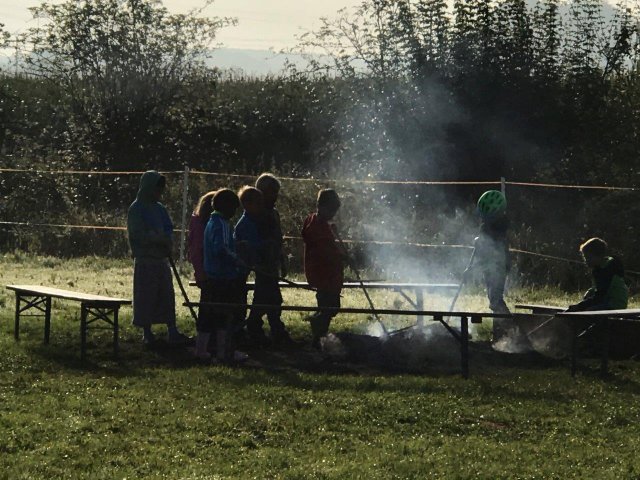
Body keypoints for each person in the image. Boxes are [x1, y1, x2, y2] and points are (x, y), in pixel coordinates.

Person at [126, 170, 189, 346]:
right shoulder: (136, 209)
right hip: (146, 260)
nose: (159, 193)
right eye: (156, 189)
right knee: (146, 296)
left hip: (161, 260)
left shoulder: (160, 208)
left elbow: (168, 227)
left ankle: (172, 330)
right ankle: (147, 332)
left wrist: (166, 240)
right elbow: (137, 234)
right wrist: (155, 238)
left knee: (166, 295)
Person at [196, 188, 248, 363]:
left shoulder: (210, 222)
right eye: (234, 208)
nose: (234, 213)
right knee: (225, 317)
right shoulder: (223, 224)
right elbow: (222, 248)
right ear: (227, 207)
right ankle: (224, 352)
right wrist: (237, 260)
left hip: (211, 277)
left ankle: (202, 350)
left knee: (207, 315)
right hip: (223, 277)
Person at [245, 173, 293, 346]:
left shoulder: (273, 213)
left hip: (272, 261)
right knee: (266, 297)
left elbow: (277, 239)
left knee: (270, 297)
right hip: (263, 262)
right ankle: (259, 327)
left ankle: (271, 328)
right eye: (272, 192)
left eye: (276, 192)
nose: (275, 196)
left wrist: (281, 258)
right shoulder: (257, 215)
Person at [467, 190, 511, 340]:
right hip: (491, 267)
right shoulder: (488, 226)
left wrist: (480, 242)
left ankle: (512, 331)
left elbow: (492, 250)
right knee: (494, 300)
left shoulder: (498, 227)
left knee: (496, 302)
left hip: (497, 267)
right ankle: (499, 335)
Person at [302, 189, 344, 348]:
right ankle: (318, 334)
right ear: (322, 206)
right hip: (324, 274)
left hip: (327, 275)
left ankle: (319, 335)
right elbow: (325, 250)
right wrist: (342, 256)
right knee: (329, 306)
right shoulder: (317, 226)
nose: (333, 214)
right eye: (332, 210)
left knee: (329, 307)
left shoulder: (317, 222)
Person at [568, 237, 628, 312]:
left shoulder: (607, 270)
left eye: (588, 257)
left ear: (598, 256)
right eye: (584, 257)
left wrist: (580, 306)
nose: (585, 261)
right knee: (586, 306)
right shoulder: (599, 268)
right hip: (607, 300)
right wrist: (589, 292)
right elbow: (597, 288)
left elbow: (599, 296)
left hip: (614, 303)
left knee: (589, 311)